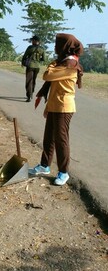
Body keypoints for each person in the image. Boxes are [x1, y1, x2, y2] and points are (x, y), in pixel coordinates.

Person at [29, 33, 84, 186]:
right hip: (55, 105)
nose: (55, 47)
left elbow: (48, 76)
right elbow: (54, 87)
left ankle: (63, 172)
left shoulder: (70, 64)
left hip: (64, 107)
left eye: (57, 44)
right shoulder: (62, 62)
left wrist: (53, 64)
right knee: (49, 138)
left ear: (64, 47)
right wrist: (48, 107)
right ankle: (44, 166)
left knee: (61, 140)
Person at [21, 35, 45, 102]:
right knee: (33, 80)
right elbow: (43, 59)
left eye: (32, 40)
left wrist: (23, 62)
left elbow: (25, 56)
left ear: (35, 41)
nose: (32, 41)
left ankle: (29, 96)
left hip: (30, 66)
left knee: (29, 81)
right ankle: (31, 93)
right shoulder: (42, 49)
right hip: (37, 67)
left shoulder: (30, 47)